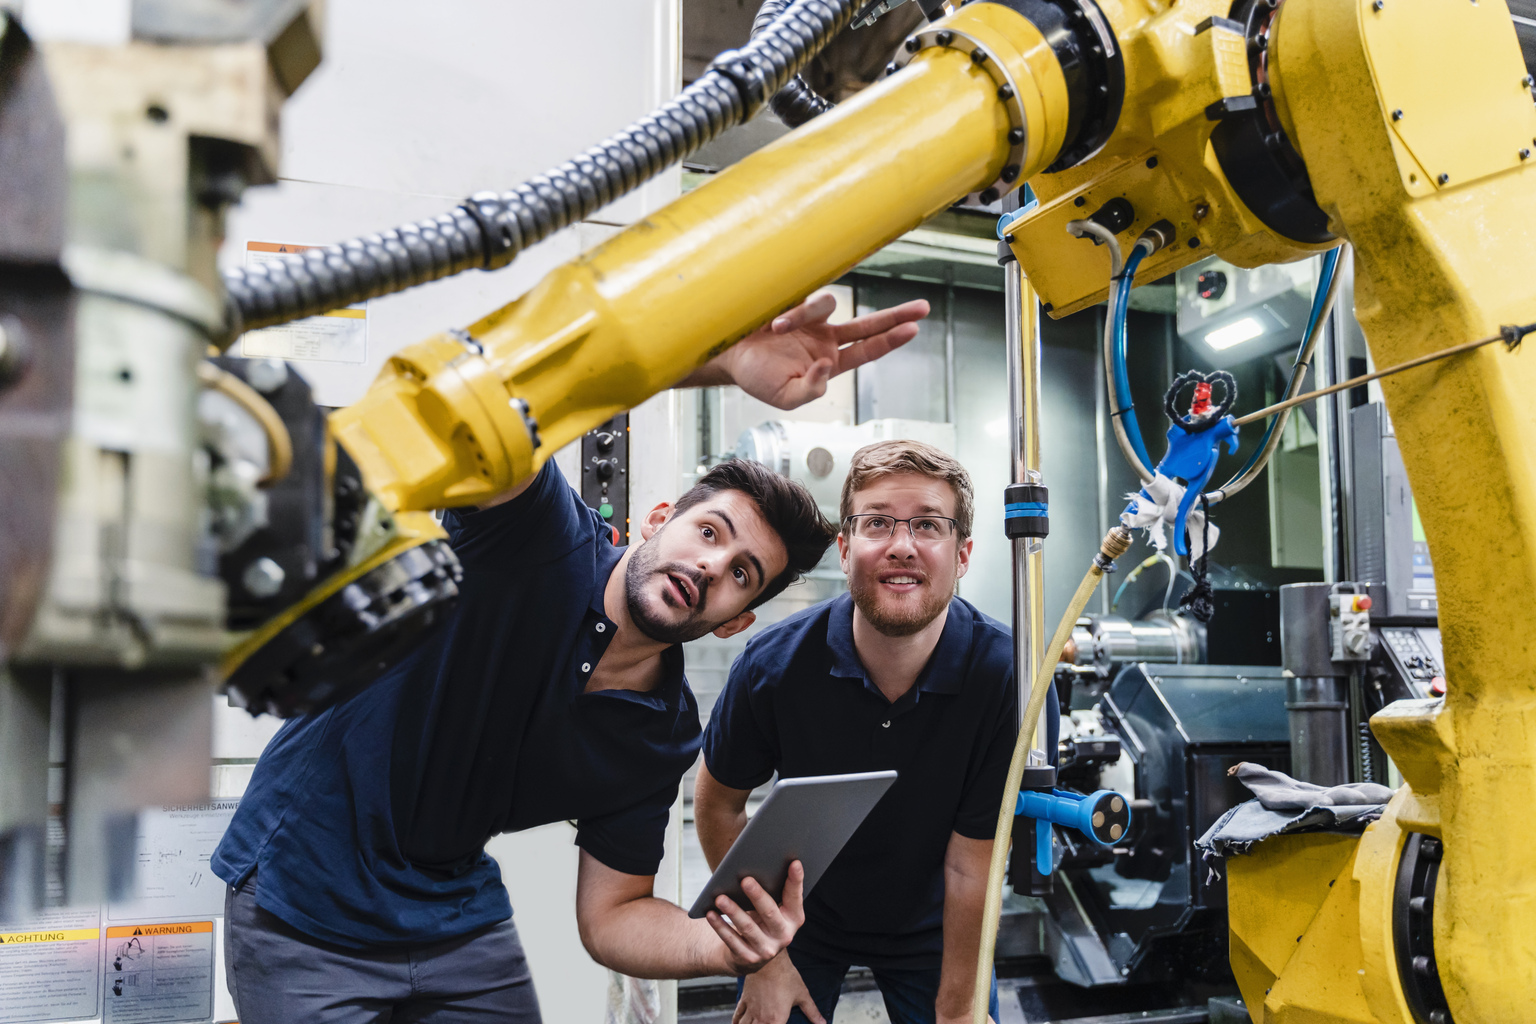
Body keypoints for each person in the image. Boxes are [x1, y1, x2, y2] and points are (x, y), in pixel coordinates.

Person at [212, 292, 930, 1024]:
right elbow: (494, 389)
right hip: (306, 894)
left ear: (734, 622)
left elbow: (613, 915)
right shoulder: (536, 537)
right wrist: (719, 362)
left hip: (448, 911)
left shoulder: (662, 730)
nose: (715, 566)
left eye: (742, 573)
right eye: (710, 533)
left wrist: (723, 949)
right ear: (658, 520)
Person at [695, 441, 1060, 1024]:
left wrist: (959, 1009)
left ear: (962, 554)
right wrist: (765, 957)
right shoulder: (773, 665)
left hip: (937, 922)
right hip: (798, 916)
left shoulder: (1005, 676)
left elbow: (973, 863)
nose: (901, 545)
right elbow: (718, 805)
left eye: (927, 526)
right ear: (844, 548)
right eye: (878, 523)